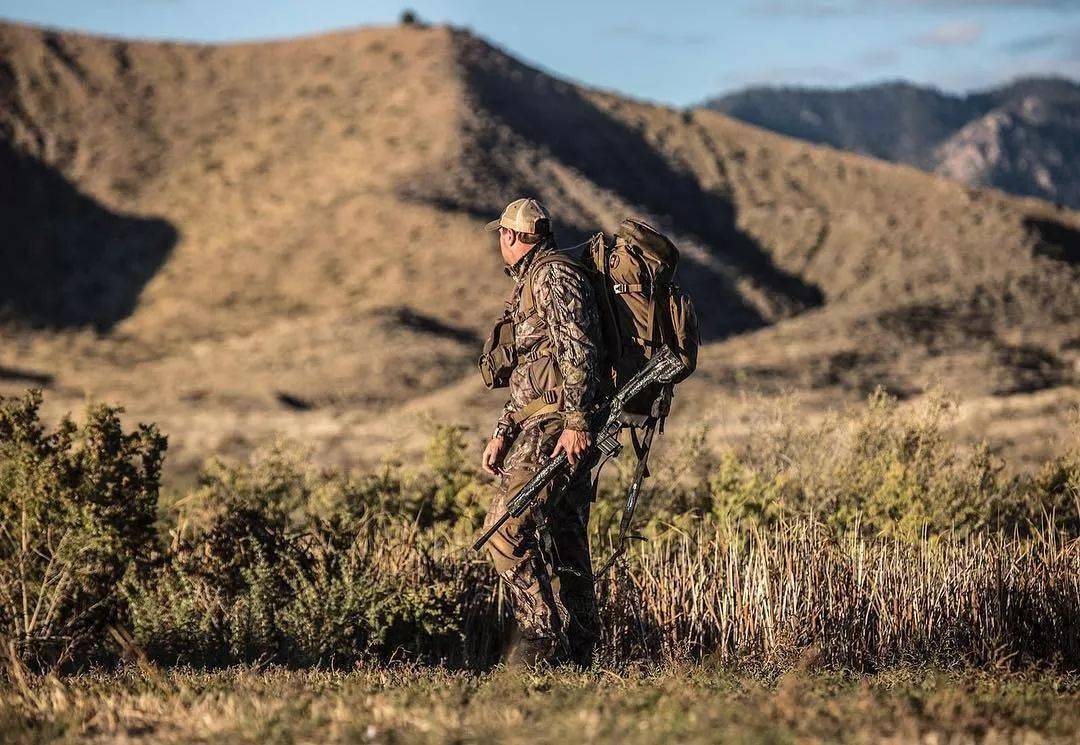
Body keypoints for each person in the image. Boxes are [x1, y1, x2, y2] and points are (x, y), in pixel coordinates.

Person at [480, 197, 602, 667]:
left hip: (557, 424)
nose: (500, 242)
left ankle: (540, 639)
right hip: (543, 419)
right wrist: (502, 431)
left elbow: (579, 351)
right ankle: (581, 654)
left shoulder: (553, 276)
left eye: (501, 234)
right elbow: (532, 371)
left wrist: (575, 423)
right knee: (564, 533)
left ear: (511, 236)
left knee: (504, 529)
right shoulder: (531, 281)